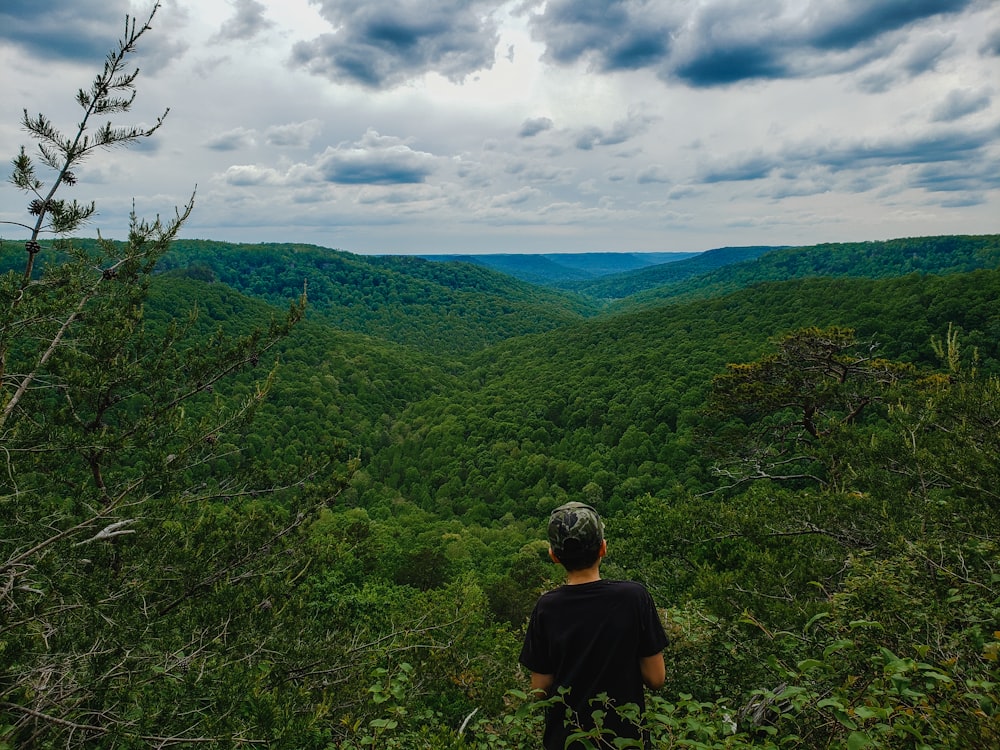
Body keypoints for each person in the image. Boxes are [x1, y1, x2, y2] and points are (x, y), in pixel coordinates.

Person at [519, 501, 669, 749]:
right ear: (603, 548)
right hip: (626, 741)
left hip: (566, 742)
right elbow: (656, 678)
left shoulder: (546, 608)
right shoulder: (633, 597)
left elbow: (539, 692)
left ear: (553, 556)